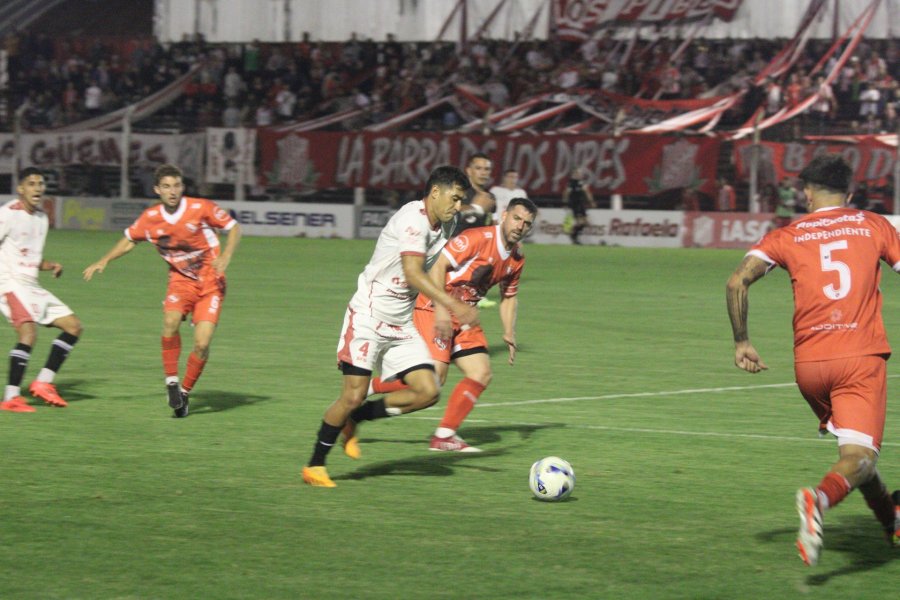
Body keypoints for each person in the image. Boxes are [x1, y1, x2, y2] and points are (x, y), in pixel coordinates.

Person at [725, 154, 900, 567]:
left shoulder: (787, 234)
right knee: (859, 457)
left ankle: (890, 517)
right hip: (859, 357)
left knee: (855, 454)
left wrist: (742, 341)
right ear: (851, 193)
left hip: (809, 367)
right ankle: (818, 500)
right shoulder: (873, 224)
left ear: (805, 193)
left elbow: (737, 282)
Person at [302, 166, 479, 488]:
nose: (458, 206)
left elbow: (435, 268)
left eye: (461, 200)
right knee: (352, 395)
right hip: (369, 316)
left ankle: (358, 419)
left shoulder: (448, 222)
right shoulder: (413, 220)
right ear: (435, 193)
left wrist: (441, 306)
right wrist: (453, 305)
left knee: (428, 392)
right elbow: (413, 273)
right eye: (454, 198)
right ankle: (315, 465)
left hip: (400, 322)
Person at [364, 197, 538, 452]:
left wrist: (509, 332)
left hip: (465, 314)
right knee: (434, 381)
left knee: (481, 373)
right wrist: (443, 311)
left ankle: (444, 436)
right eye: (517, 218)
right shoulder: (477, 238)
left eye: (527, 223)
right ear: (504, 216)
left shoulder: (517, 259)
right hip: (434, 306)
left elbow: (509, 295)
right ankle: (370, 388)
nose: (520, 226)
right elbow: (437, 267)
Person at [83, 164, 241, 418]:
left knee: (202, 344)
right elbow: (130, 239)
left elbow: (233, 227)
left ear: (182, 187)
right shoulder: (150, 217)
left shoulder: (200, 208)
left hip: (211, 282)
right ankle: (171, 381)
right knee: (170, 322)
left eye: (176, 185)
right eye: (166, 186)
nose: (172, 191)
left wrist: (227, 256)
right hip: (180, 281)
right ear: (157, 189)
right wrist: (105, 260)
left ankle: (184, 394)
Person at [0, 168, 83, 413]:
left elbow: (29, 256)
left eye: (40, 183)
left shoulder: (41, 217)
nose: (37, 188)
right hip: (9, 283)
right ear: (20, 189)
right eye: (31, 183)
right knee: (28, 333)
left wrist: (50, 265)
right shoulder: (7, 214)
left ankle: (43, 382)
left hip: (31, 285)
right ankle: (11, 397)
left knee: (73, 327)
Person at [453, 153, 494, 236]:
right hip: (457, 243)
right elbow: (449, 217)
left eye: (487, 169)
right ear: (469, 171)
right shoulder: (457, 192)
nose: (483, 173)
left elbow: (491, 223)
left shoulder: (490, 197)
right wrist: (476, 209)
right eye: (478, 168)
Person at [563, 167, 594, 245]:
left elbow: (587, 192)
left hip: (581, 204)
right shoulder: (571, 183)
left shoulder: (582, 182)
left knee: (586, 222)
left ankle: (574, 235)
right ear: (574, 174)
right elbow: (566, 193)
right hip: (575, 204)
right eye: (578, 173)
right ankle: (574, 236)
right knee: (580, 222)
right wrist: (565, 202)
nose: (580, 175)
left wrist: (590, 201)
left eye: (580, 173)